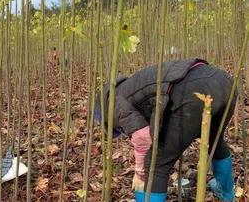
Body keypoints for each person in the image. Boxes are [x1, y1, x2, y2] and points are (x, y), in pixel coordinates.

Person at [94, 58, 237, 201]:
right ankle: (226, 192)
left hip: (192, 92)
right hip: (224, 82)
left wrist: (139, 173)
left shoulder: (113, 104)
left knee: (156, 163)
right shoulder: (131, 85)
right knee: (215, 139)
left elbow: (142, 138)